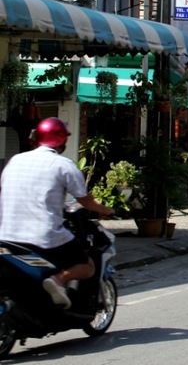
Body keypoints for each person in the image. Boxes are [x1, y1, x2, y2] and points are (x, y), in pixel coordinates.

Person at [0, 117, 115, 309]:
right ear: (62, 140)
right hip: (44, 237)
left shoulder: (15, 161)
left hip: (7, 235)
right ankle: (59, 280)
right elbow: (85, 200)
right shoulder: (64, 165)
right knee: (87, 266)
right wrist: (107, 210)